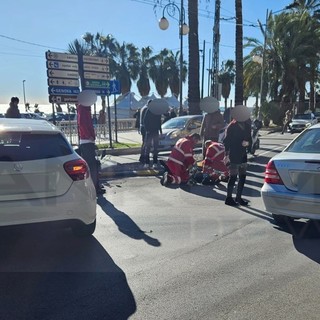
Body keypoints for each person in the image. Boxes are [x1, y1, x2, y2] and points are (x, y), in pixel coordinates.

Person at [223, 105, 252, 206]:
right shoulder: (232, 126)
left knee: (243, 176)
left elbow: (250, 140)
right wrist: (226, 154)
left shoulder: (248, 126)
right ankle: (229, 198)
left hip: (243, 154)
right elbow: (226, 141)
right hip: (234, 154)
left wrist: (247, 144)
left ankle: (238, 198)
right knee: (233, 177)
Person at [77, 92, 105, 195]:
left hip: (87, 140)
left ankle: (94, 186)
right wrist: (89, 136)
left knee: (92, 165)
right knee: (92, 166)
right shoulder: (83, 109)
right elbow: (83, 124)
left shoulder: (84, 109)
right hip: (87, 141)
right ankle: (94, 188)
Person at [142, 102, 162, 168]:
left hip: (152, 131)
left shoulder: (153, 111)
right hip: (152, 131)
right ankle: (150, 163)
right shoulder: (149, 111)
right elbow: (145, 121)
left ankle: (151, 163)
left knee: (152, 148)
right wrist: (148, 129)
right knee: (150, 147)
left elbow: (159, 121)